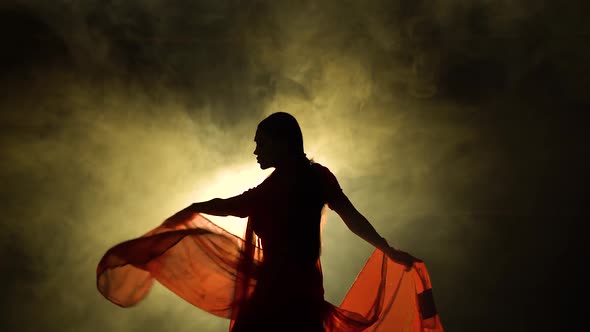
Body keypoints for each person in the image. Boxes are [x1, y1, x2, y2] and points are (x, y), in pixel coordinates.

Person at [96, 112, 443, 332]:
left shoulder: (307, 180)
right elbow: (237, 204)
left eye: (262, 143)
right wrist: (194, 207)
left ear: (282, 142)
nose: (256, 151)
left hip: (288, 296)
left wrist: (387, 248)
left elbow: (351, 218)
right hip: (283, 294)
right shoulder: (283, 184)